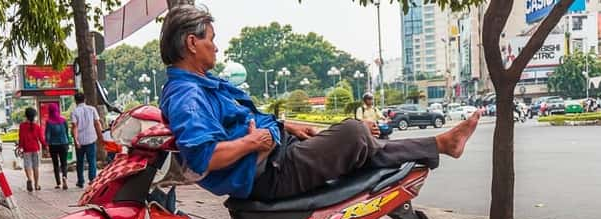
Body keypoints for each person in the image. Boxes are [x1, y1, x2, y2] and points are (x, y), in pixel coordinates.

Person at [159, 6, 480, 201]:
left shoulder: (199, 85)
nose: (215, 47)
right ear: (191, 43)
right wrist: (251, 141)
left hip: (275, 154)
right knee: (355, 134)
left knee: (357, 138)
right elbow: (203, 158)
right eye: (210, 39)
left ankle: (440, 143)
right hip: (268, 173)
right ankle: (439, 143)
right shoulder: (188, 96)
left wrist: (284, 126)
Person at [71, 92, 104, 188]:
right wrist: (101, 137)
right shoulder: (92, 109)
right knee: (92, 161)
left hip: (80, 141)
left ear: (75, 101)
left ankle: (80, 181)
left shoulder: (75, 112)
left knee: (80, 161)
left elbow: (74, 127)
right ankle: (92, 180)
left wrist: (76, 140)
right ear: (84, 99)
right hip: (91, 139)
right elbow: (97, 124)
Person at [17, 107, 46, 192]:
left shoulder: (22, 126)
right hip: (35, 148)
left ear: (26, 115)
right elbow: (41, 138)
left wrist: (20, 147)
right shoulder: (37, 126)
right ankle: (36, 185)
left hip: (26, 149)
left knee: (27, 166)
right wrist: (45, 146)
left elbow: (21, 137)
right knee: (35, 167)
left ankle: (29, 179)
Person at [45, 103, 70, 190]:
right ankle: (64, 177)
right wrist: (68, 143)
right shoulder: (64, 120)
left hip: (53, 145)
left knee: (55, 164)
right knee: (64, 163)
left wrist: (47, 145)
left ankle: (58, 183)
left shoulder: (48, 122)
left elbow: (47, 135)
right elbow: (67, 132)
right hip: (64, 144)